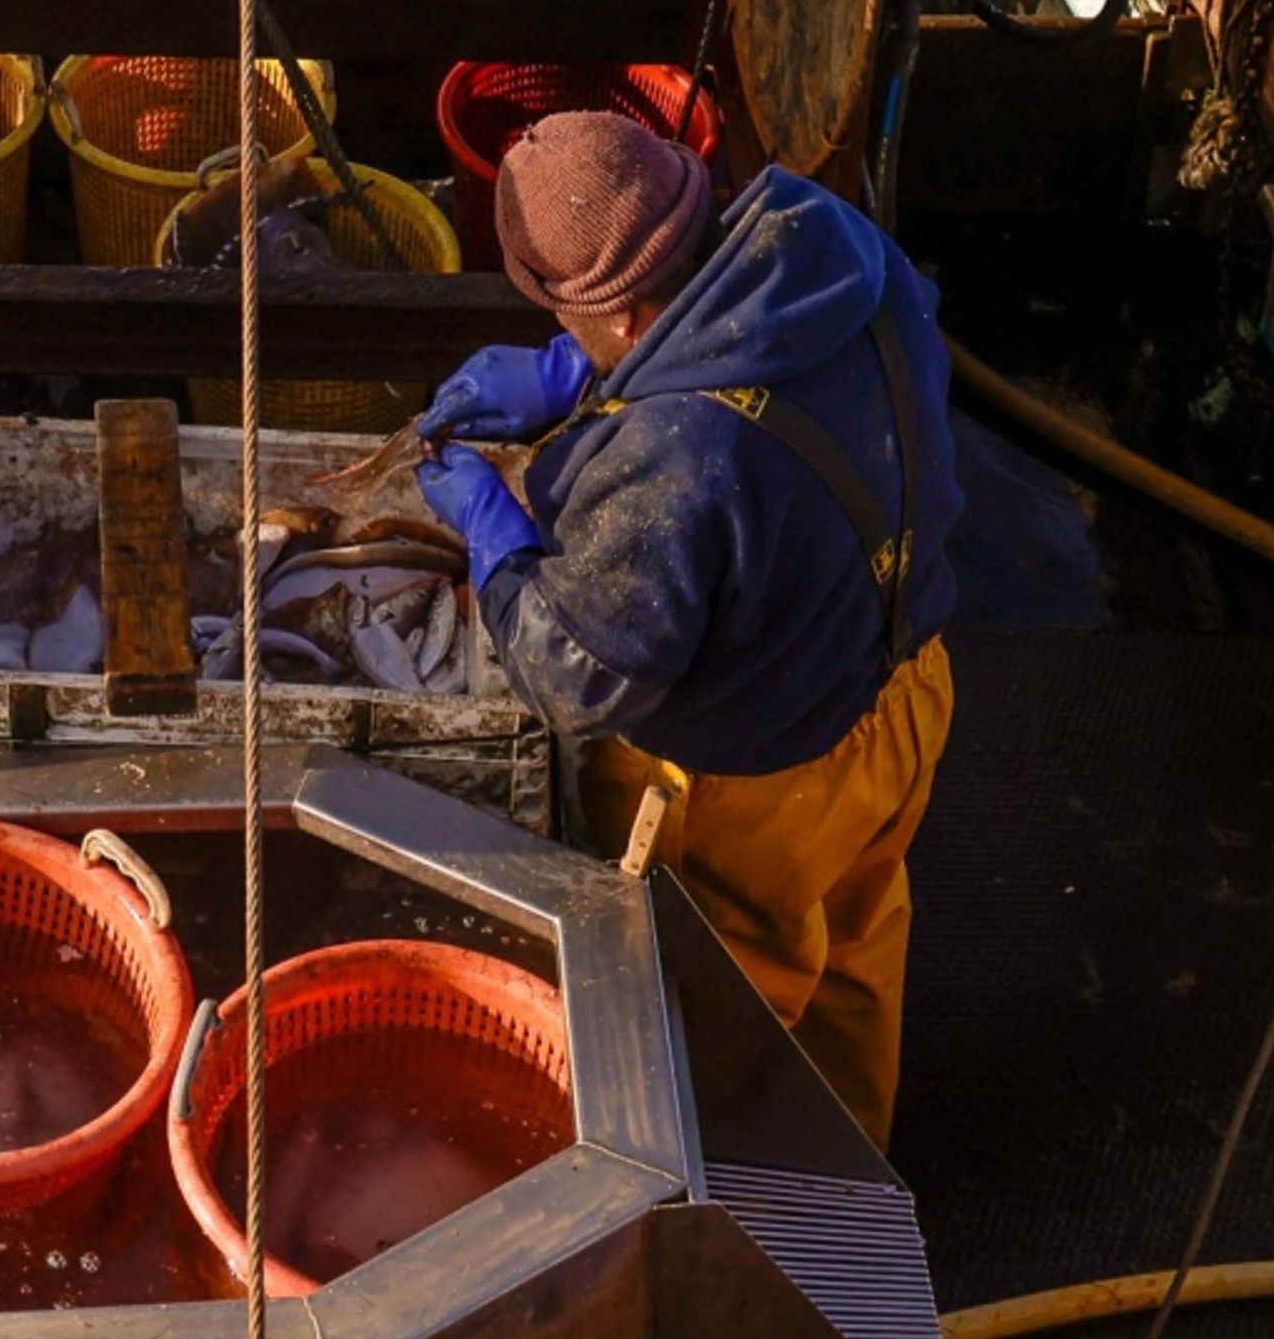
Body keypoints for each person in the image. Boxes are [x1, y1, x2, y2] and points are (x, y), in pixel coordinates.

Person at [409, 106, 961, 1142]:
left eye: (565, 320)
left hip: (762, 791)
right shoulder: (831, 241)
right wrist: (581, 376)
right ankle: (855, 1155)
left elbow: (575, 671)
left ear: (617, 317)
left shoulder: (675, 457)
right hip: (905, 689)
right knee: (855, 943)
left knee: (715, 1022)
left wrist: (494, 536)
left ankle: (754, 1226)